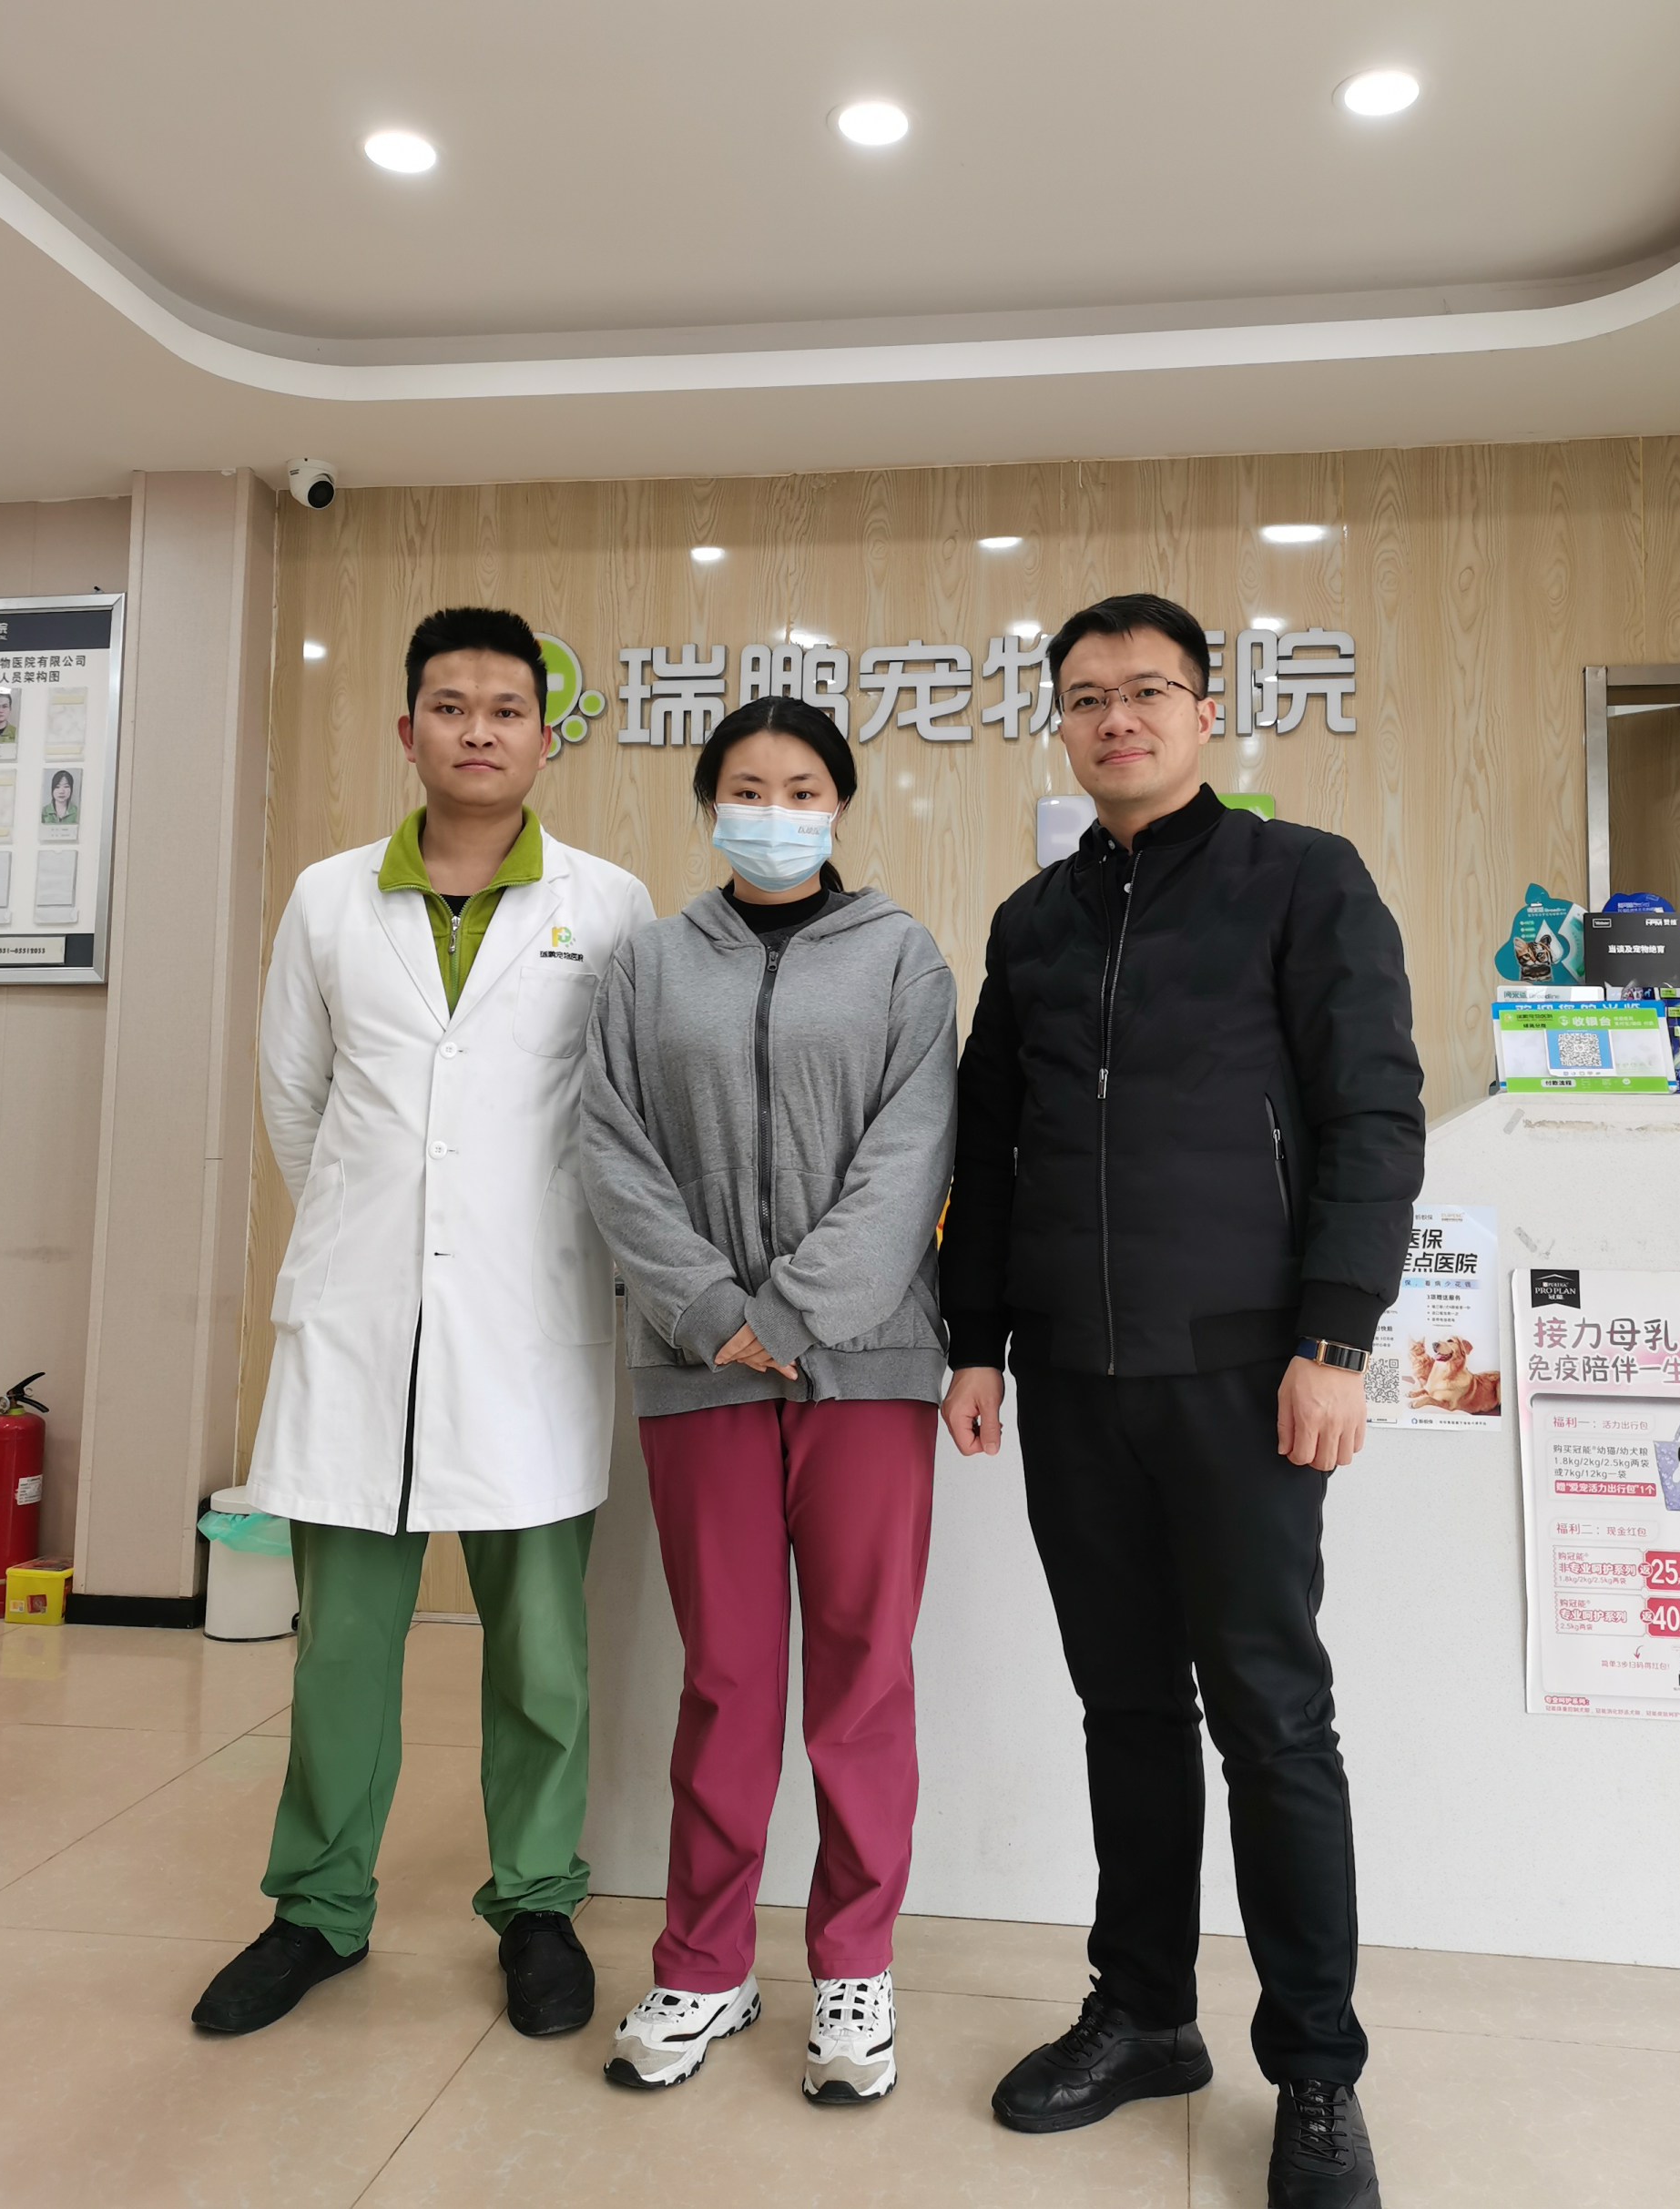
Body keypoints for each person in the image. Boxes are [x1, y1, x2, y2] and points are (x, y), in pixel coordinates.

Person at [939, 593, 1422, 2209]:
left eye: (1148, 689)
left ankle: (1318, 2071)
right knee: (1127, 1710)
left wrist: (1336, 1338)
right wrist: (977, 1338)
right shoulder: (1034, 918)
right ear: (1062, 725)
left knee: (1272, 1716)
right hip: (1076, 1379)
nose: (1117, 717)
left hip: (1245, 1374)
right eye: (1087, 696)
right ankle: (1145, 2010)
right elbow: (989, 1139)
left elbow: (1372, 1112)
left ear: (1206, 711)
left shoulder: (1303, 879)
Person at [192, 606, 653, 2041]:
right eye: (450, 706)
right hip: (362, 1321)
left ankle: (537, 1903)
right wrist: (381, 1227)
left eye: (505, 708)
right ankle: (318, 1907)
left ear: (542, 736)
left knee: (541, 1653)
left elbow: (627, 1107)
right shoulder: (330, 897)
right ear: (408, 730)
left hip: (530, 1325)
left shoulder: (608, 903)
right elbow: (296, 1097)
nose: (477, 730)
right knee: (341, 1648)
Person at [579, 696, 957, 2105]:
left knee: (862, 1677)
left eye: (803, 788)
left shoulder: (903, 957)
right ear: (710, 803)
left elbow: (914, 1150)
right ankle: (704, 1962)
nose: (776, 809)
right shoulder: (648, 964)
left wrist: (792, 1309)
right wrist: (708, 1309)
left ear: (838, 805)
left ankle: (854, 1966)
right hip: (700, 1373)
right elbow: (610, 1144)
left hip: (868, 1366)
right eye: (749, 786)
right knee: (727, 1675)